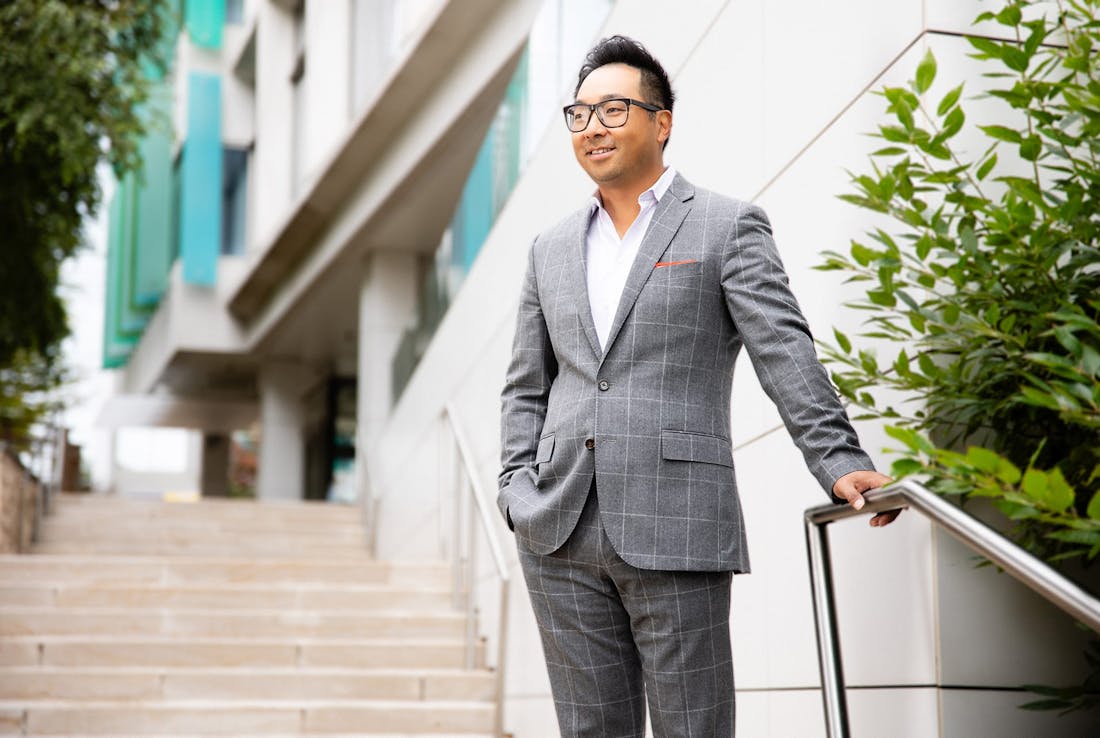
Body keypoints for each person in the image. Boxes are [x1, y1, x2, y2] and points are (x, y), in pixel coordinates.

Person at [497, 35, 899, 737]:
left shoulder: (725, 225)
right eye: (580, 113)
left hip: (677, 519)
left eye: (613, 109)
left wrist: (837, 459)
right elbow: (526, 386)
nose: (592, 126)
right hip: (556, 527)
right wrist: (514, 489)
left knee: (694, 728)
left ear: (662, 122)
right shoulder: (549, 248)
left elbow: (783, 350)